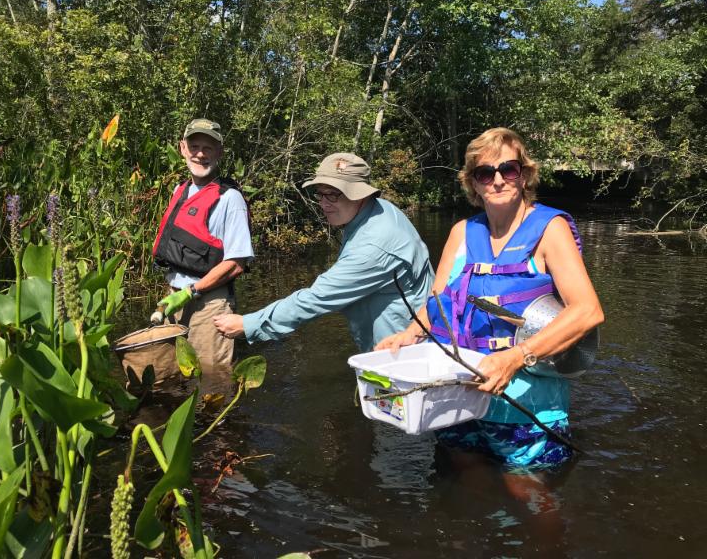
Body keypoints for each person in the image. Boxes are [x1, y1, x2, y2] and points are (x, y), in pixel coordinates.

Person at [377, 127, 604, 472]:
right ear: (473, 183)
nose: (497, 180)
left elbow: (588, 311)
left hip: (524, 399)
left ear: (525, 175)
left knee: (528, 492)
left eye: (508, 169)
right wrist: (409, 333)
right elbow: (440, 300)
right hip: (459, 393)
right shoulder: (462, 232)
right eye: (485, 173)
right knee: (467, 474)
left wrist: (514, 358)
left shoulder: (549, 228)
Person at [213, 152, 434, 353]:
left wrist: (248, 324)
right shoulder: (380, 210)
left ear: (360, 195)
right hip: (403, 341)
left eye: (334, 195)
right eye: (320, 194)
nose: (324, 204)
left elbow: (316, 299)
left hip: (404, 352)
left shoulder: (373, 247)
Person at [149, 118, 253, 390]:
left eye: (208, 147)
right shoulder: (179, 190)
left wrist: (190, 291)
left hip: (210, 304)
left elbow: (236, 264)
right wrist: (177, 294)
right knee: (177, 377)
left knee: (213, 380)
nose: (200, 154)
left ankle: (221, 432)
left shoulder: (231, 199)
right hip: (175, 299)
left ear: (219, 152)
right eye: (194, 145)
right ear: (182, 148)